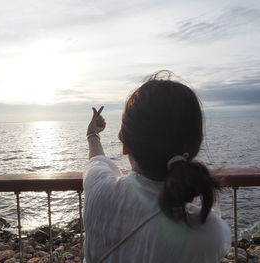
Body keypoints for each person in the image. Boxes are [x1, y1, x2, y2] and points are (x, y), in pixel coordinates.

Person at [83, 71, 231, 263]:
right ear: (194, 147)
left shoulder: (97, 188)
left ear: (125, 146)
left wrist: (92, 134)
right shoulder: (208, 231)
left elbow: (96, 161)